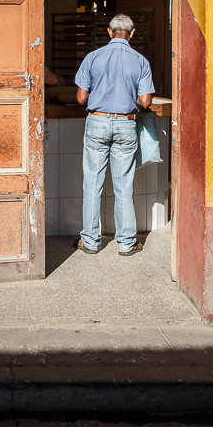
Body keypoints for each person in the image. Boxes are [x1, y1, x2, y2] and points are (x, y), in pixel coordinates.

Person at [73, 14, 154, 255]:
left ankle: (89, 241)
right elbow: (146, 102)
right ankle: (127, 243)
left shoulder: (93, 57)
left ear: (109, 32)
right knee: (123, 186)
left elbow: (80, 98)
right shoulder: (140, 61)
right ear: (132, 32)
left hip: (97, 122)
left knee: (92, 184)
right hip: (125, 124)